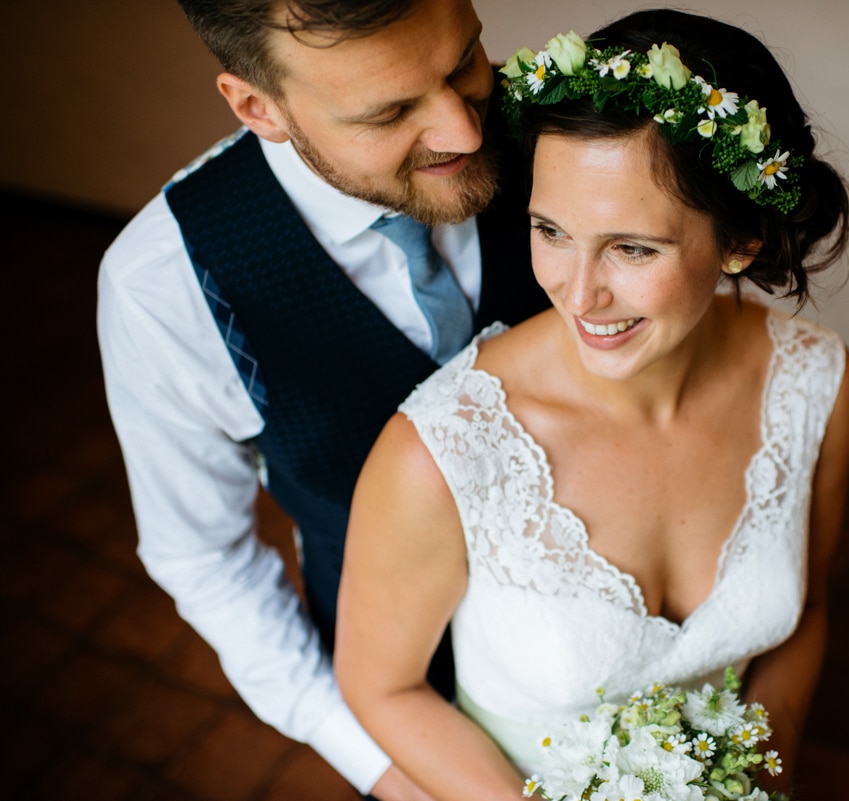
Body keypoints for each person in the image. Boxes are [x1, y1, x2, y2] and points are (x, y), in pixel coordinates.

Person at [334, 8, 849, 799]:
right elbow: (382, 687)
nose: (578, 293)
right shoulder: (440, 451)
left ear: (740, 240)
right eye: (550, 230)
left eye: (632, 247)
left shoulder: (817, 381)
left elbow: (808, 610)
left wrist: (748, 780)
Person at [96, 1, 547, 798]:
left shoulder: (567, 134)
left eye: (464, 62)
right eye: (390, 111)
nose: (464, 131)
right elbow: (205, 558)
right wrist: (380, 766)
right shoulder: (161, 288)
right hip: (406, 690)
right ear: (256, 106)